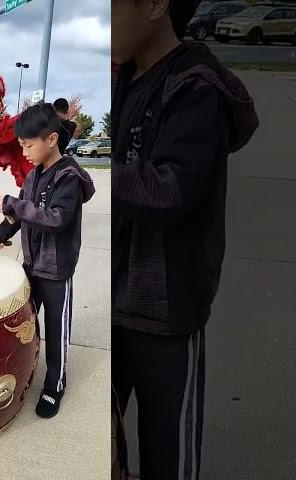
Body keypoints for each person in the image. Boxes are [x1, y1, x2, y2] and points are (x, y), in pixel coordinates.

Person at [111, 0, 258, 478]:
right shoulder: (121, 77)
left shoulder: (196, 88)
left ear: (154, 6)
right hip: (112, 299)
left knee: (168, 452)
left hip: (166, 312)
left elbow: (170, 189)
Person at [0, 102, 96, 418]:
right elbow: (21, 213)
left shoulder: (69, 177)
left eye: (28, 145)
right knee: (26, 326)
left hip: (56, 271)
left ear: (51, 139)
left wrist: (15, 205)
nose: (23, 152)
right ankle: (27, 370)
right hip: (31, 267)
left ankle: (54, 386)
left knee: (55, 332)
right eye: (20, 146)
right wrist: (1, 233)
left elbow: (55, 219)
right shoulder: (33, 177)